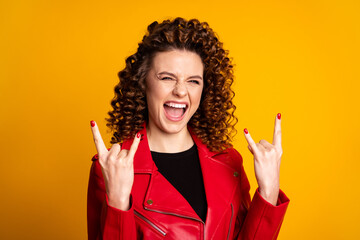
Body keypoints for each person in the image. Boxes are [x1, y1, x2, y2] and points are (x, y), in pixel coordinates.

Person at [87, 17, 289, 240]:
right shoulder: (111, 167)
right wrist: (117, 203)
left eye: (193, 81)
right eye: (167, 78)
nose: (181, 91)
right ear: (143, 82)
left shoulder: (229, 161)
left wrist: (269, 192)